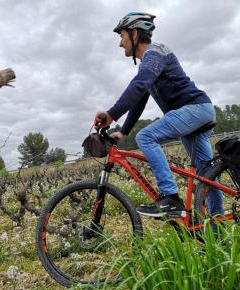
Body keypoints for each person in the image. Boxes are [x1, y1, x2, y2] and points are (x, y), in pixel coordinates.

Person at [94, 12, 223, 219]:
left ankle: (170, 198)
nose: (120, 43)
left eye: (122, 36)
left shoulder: (155, 53)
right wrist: (123, 131)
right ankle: (219, 229)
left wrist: (111, 114)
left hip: (195, 110)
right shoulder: (149, 65)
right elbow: (139, 99)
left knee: (145, 137)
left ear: (134, 34)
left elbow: (138, 86)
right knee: (206, 175)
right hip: (198, 113)